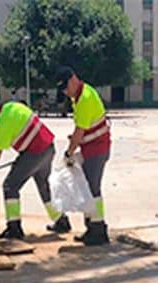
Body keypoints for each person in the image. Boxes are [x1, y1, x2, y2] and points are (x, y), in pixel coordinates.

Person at [0, 93, 69, 240]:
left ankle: (14, 228)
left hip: (34, 153)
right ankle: (61, 220)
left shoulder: (2, 122)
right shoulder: (13, 106)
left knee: (10, 186)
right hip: (48, 148)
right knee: (43, 186)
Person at [54, 66, 110, 246]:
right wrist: (77, 140)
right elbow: (83, 129)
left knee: (92, 189)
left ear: (73, 79)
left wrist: (69, 152)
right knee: (88, 188)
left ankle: (98, 229)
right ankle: (93, 227)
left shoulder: (84, 98)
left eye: (65, 87)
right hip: (92, 147)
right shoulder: (77, 97)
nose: (65, 91)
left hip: (97, 149)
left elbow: (80, 131)